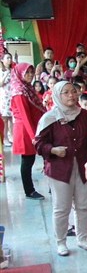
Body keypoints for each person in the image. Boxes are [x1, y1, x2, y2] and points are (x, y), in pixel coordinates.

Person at [33, 80, 87, 254]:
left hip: (83, 166)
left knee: (83, 205)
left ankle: (82, 238)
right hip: (60, 169)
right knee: (61, 208)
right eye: (66, 92)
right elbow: (38, 144)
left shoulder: (84, 115)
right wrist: (53, 150)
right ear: (57, 95)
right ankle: (61, 242)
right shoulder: (49, 118)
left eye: (73, 91)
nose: (71, 95)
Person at [8, 62, 47, 199]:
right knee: (27, 160)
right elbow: (25, 116)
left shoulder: (27, 88)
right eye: (27, 73)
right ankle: (29, 190)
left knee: (30, 159)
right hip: (25, 130)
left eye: (31, 72)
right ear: (20, 74)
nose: (30, 75)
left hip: (31, 128)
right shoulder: (19, 92)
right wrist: (33, 136)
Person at [0, 52, 14, 146]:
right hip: (4, 98)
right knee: (5, 119)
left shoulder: (13, 70)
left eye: (10, 58)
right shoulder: (1, 71)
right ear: (2, 60)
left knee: (12, 119)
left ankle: (12, 137)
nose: (9, 60)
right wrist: (6, 74)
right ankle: (5, 138)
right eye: (7, 58)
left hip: (12, 97)